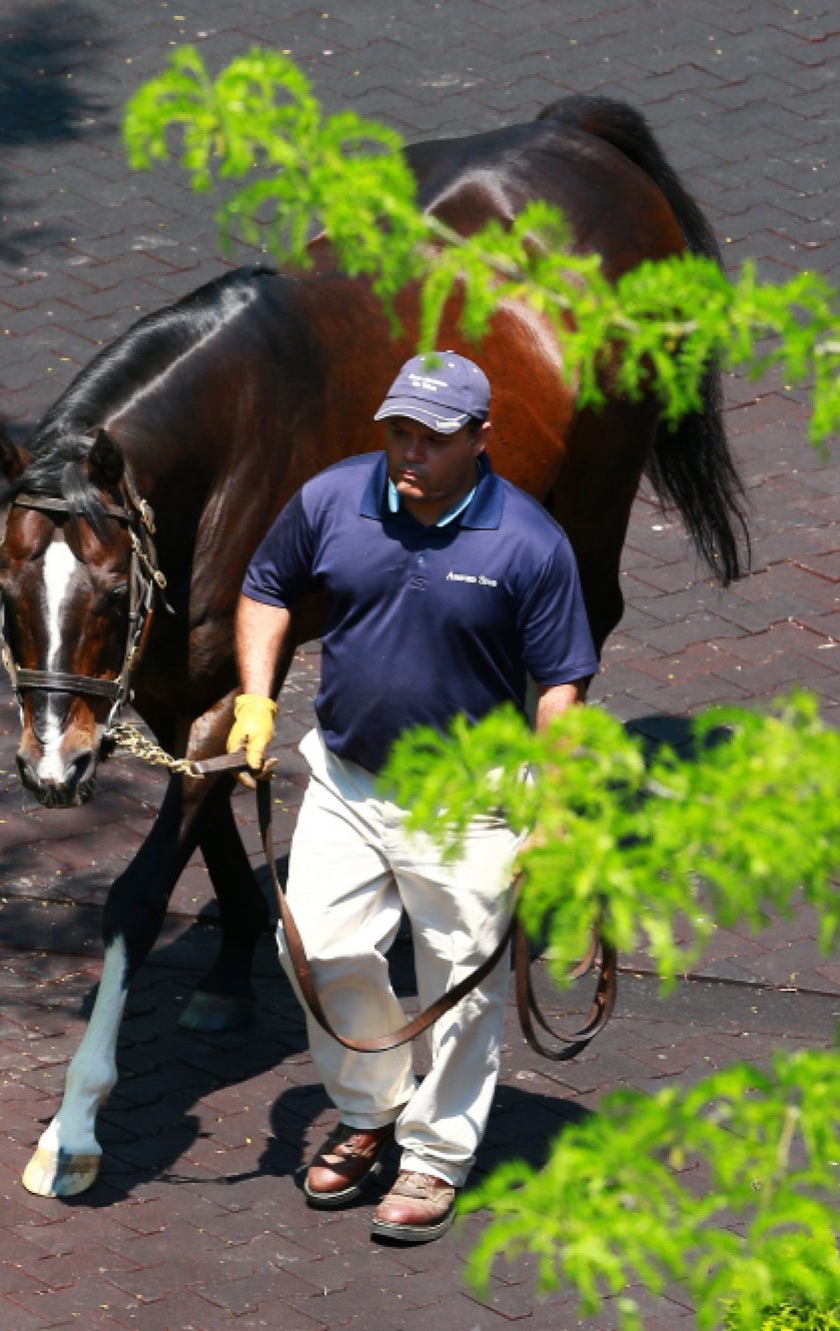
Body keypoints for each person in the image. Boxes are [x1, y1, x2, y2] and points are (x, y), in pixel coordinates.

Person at [225, 350, 599, 1243]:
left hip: (470, 801)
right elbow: (266, 588)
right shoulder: (333, 499)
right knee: (314, 948)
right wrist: (255, 698)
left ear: (480, 437)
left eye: (431, 438)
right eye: (399, 432)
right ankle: (372, 1108)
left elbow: (561, 686)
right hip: (348, 777)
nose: (410, 452)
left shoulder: (529, 541)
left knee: (460, 985)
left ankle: (435, 1154)